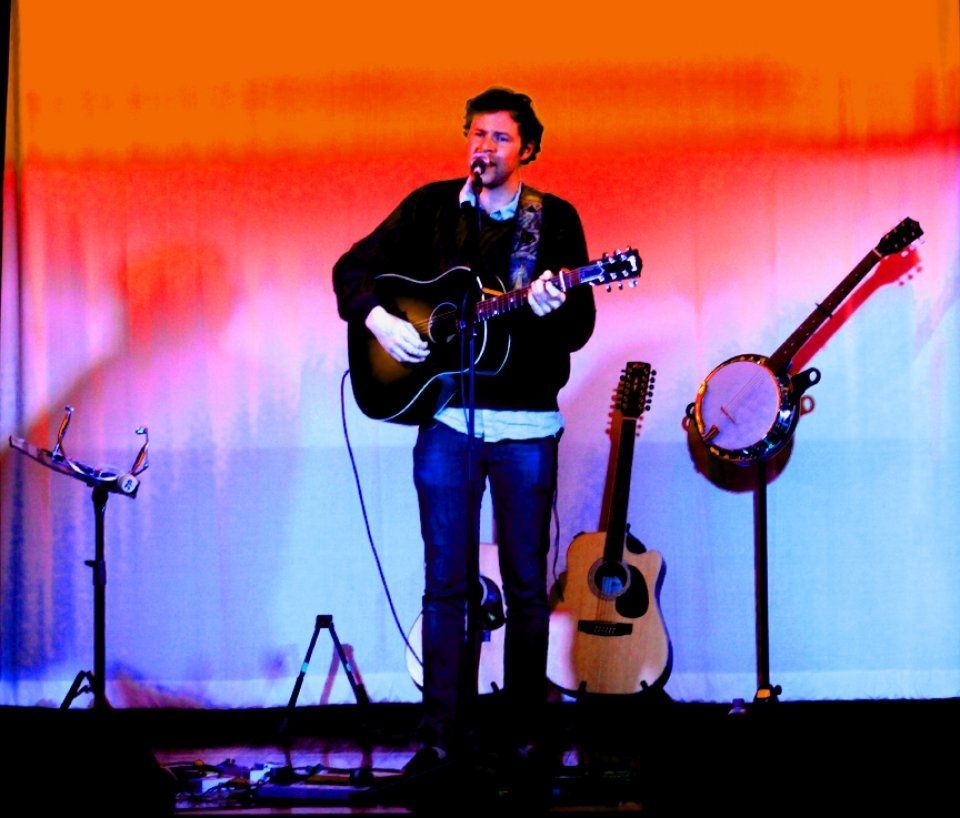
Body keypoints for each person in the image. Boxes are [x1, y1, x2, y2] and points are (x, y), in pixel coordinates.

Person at [333, 87, 596, 774]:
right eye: (477, 134)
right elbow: (351, 269)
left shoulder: (553, 220)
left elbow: (581, 326)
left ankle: (524, 733)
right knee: (445, 583)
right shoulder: (430, 209)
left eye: (500, 137)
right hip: (449, 418)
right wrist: (379, 321)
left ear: (527, 148)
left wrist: (550, 305)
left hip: (528, 425)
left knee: (526, 583)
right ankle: (441, 734)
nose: (485, 147)